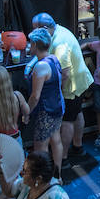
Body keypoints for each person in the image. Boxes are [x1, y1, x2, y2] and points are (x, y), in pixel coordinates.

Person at [34, 13, 94, 162]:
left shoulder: (59, 43)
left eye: (36, 30)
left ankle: (64, 156)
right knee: (77, 113)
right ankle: (78, 145)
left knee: (67, 121)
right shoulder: (60, 30)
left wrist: (56, 92)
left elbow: (65, 73)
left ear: (46, 28)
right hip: (80, 81)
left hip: (71, 86)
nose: (35, 33)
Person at [25, 28, 64, 173]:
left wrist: (26, 112)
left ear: (35, 44)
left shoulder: (41, 67)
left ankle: (43, 181)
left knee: (40, 147)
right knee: (56, 140)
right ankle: (58, 176)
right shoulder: (53, 58)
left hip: (45, 111)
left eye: (30, 43)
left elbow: (35, 96)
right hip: (57, 107)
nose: (29, 46)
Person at [0, 65, 29, 143]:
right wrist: (25, 118)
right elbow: (27, 111)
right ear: (8, 78)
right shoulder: (17, 96)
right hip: (14, 139)